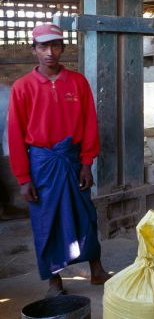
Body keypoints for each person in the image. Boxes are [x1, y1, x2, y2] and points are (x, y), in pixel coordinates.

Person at [7, 23, 110, 297]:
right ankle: (54, 280)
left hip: (73, 160)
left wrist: (87, 162)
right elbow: (16, 136)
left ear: (63, 48)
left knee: (85, 215)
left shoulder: (77, 82)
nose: (49, 52)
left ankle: (96, 269)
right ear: (34, 51)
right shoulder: (22, 87)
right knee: (45, 220)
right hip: (41, 164)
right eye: (43, 46)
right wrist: (23, 178)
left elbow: (89, 123)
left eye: (55, 45)